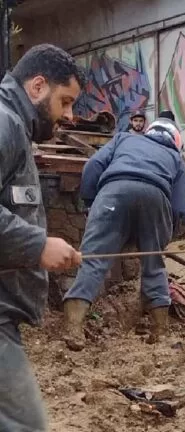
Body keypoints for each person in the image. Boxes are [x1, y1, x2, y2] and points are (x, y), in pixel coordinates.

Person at [0, 43, 84, 432]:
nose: (69, 116)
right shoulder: (5, 124)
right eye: (64, 101)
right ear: (37, 86)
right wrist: (37, 245)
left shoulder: (14, 128)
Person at [62, 117, 185, 351]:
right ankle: (160, 331)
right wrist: (163, 234)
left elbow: (92, 166)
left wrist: (91, 201)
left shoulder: (123, 138)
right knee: (154, 263)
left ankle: (73, 328)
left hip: (113, 191)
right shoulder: (176, 158)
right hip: (156, 196)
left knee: (93, 259)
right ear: (175, 140)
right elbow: (180, 206)